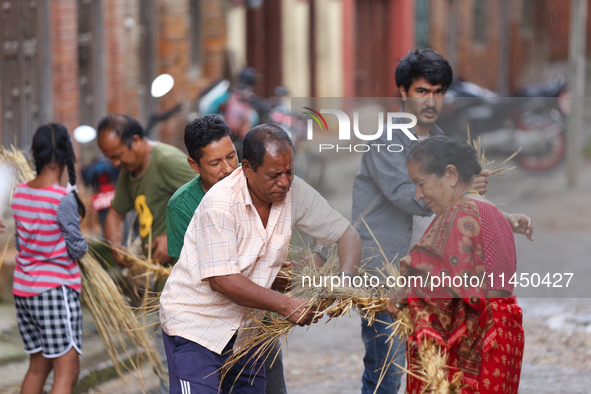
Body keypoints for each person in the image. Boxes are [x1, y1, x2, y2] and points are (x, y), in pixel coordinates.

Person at [352, 48, 532, 394]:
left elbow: (467, 207)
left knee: (433, 370)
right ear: (403, 93)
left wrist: (503, 217)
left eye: (438, 92)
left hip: (434, 282)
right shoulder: (385, 142)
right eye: (422, 91)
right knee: (387, 370)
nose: (431, 101)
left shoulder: (443, 145)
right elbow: (409, 197)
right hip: (388, 272)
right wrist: (458, 189)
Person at [160, 123, 362, 393]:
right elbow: (222, 280)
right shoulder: (219, 205)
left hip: (247, 331)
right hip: (197, 329)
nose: (284, 182)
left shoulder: (293, 192)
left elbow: (347, 235)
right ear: (246, 169)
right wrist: (286, 304)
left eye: (289, 171)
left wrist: (342, 283)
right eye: (273, 175)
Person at [386, 136, 527, 393]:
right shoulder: (494, 212)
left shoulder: (458, 212)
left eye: (421, 183)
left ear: (450, 174)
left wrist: (401, 295)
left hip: (479, 339)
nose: (418, 194)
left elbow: (439, 281)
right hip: (505, 337)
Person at [165, 114, 289, 394]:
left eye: (231, 157)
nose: (227, 168)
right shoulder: (182, 206)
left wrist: (279, 272)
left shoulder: (259, 186)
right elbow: (210, 276)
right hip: (207, 329)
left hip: (258, 324)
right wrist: (280, 295)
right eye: (214, 163)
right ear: (194, 165)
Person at [97, 114, 196, 394]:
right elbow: (116, 212)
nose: (116, 163)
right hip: (158, 280)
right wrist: (116, 244)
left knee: (174, 355)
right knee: (162, 353)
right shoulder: (130, 172)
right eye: (110, 158)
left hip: (185, 276)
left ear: (137, 141)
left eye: (118, 155)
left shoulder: (166, 160)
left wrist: (173, 237)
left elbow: (210, 197)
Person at [12, 123, 88, 394]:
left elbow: (21, 243)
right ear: (68, 154)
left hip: (24, 291)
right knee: (67, 372)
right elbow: (77, 248)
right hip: (54, 292)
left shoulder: (19, 193)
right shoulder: (62, 199)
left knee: (37, 367)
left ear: (34, 152)